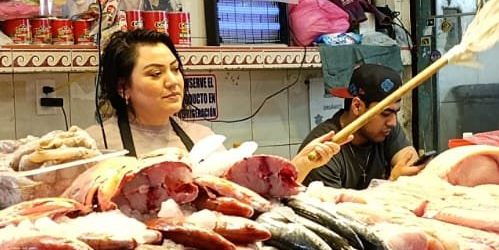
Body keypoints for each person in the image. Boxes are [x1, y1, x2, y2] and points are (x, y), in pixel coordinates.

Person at [87, 28, 339, 174]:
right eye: (155, 73)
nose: (173, 81)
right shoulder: (96, 145)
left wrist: (302, 164)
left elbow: (246, 200)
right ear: (123, 88)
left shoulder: (202, 138)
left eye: (175, 69)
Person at [297, 63, 418, 190]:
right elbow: (333, 202)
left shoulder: (385, 129)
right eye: (385, 113)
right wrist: (392, 182)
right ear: (357, 106)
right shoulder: (323, 149)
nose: (393, 122)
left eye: (395, 112)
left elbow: (411, 166)